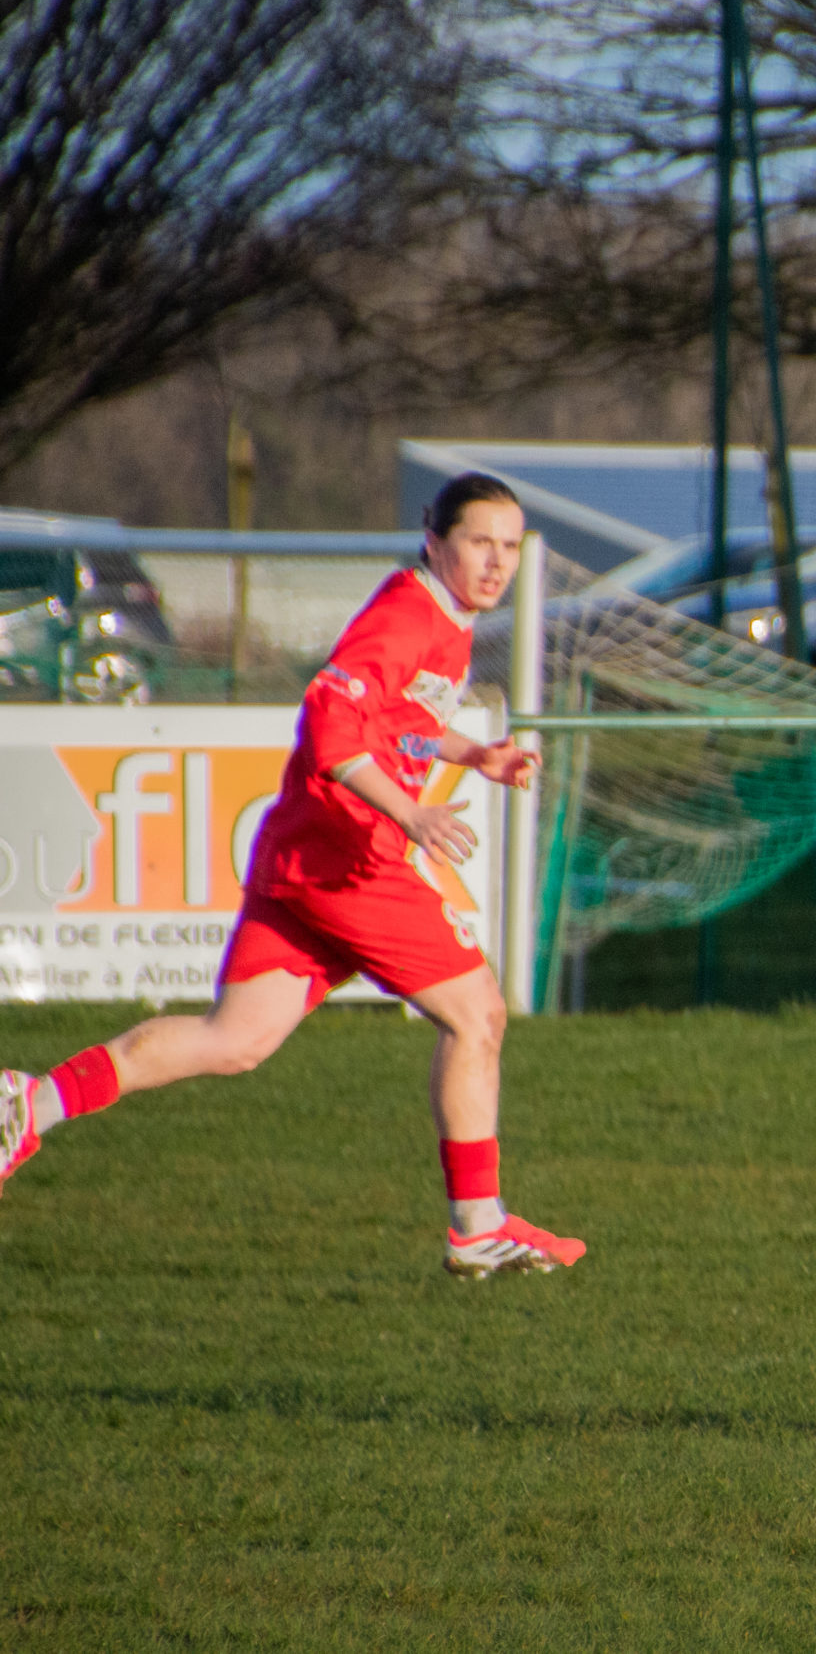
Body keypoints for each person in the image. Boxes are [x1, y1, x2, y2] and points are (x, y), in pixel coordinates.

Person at [0, 473, 585, 1278]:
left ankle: (29, 1103)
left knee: (232, 1040)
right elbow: (330, 723)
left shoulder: (445, 616)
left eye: (510, 546)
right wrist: (412, 814)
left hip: (301, 857)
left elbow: (402, 717)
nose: (497, 562)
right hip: (350, 864)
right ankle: (477, 1224)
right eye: (480, 541)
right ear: (433, 539)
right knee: (478, 1013)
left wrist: (473, 752)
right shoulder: (408, 615)